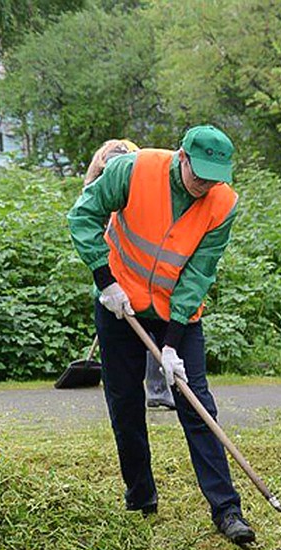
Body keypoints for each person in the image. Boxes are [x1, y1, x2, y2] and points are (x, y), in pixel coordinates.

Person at [67, 125, 255, 546]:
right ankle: (141, 498)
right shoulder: (132, 170)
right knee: (125, 402)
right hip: (120, 304)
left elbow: (199, 273)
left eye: (213, 178)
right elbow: (83, 216)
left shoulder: (222, 204)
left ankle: (227, 510)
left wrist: (171, 342)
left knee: (196, 403)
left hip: (177, 311)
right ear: (182, 157)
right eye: (198, 175)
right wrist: (105, 279)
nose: (204, 186)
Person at [83, 139, 176, 412]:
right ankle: (152, 390)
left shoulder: (137, 169)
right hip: (111, 276)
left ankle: (158, 389)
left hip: (147, 279)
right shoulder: (99, 185)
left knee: (153, 335)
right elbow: (90, 226)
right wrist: (106, 284)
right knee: (125, 352)